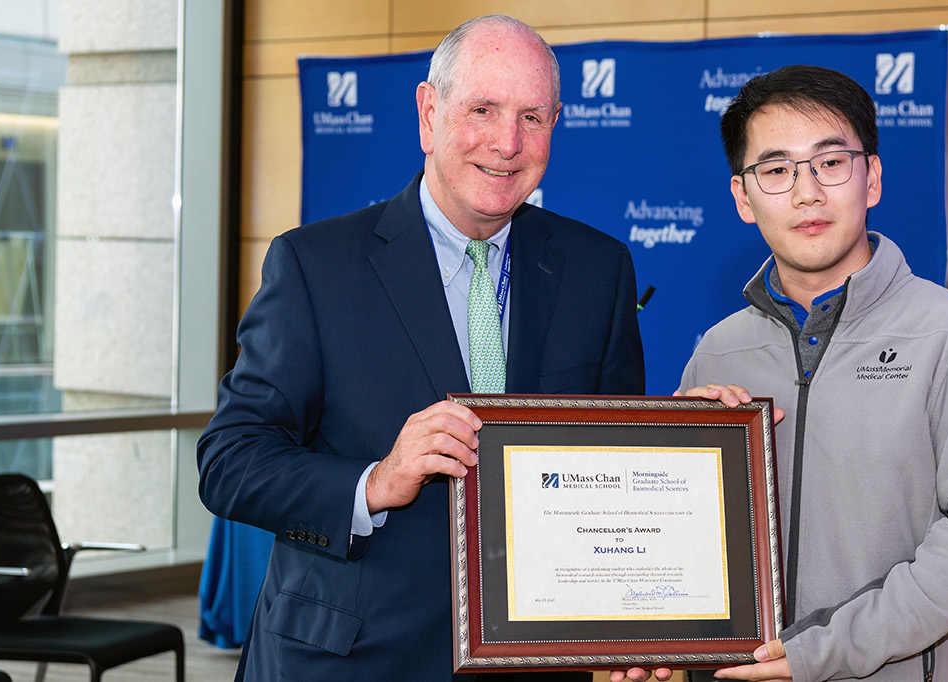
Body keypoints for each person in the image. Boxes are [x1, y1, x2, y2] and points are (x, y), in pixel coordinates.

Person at [198, 14, 644, 682]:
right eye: (483, 109)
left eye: (533, 116)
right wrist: (374, 481)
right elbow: (229, 462)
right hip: (348, 660)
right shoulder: (316, 265)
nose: (507, 141)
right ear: (429, 112)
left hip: (535, 662)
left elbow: (618, 471)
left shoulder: (597, 269)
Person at [617, 64, 948, 682]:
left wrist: (825, 649)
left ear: (871, 178)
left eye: (830, 163)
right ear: (743, 197)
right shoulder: (718, 352)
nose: (806, 192)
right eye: (776, 169)